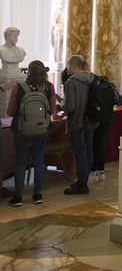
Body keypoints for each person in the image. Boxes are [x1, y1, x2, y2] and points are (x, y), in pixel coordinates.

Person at [6, 60, 58, 206]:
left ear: (28, 71)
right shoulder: (49, 87)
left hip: (21, 129)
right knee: (39, 160)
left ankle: (18, 197)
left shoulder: (19, 87)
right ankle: (37, 195)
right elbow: (53, 111)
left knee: (21, 161)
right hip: (42, 128)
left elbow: (10, 111)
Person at [63, 55, 96, 195]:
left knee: (80, 152)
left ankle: (82, 184)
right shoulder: (92, 78)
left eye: (68, 64)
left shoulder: (71, 83)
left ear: (74, 66)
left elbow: (70, 107)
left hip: (77, 122)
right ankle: (84, 179)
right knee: (88, 150)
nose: (67, 67)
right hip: (90, 120)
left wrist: (61, 107)